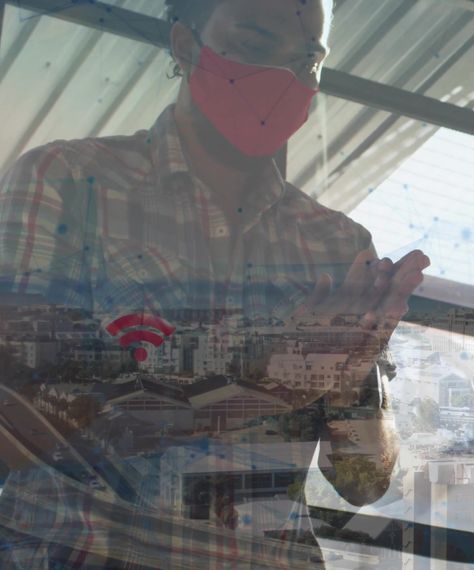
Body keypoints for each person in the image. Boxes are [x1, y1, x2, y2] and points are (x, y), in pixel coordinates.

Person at [0, 0, 428, 566]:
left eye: (305, 61)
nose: (280, 81)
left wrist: (349, 381)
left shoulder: (337, 246)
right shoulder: (68, 183)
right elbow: (18, 417)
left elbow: (364, 483)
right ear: (184, 44)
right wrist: (256, 382)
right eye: (253, 46)